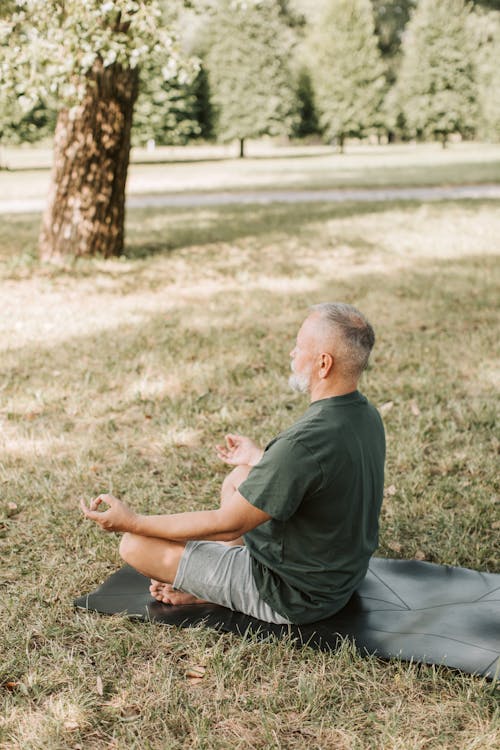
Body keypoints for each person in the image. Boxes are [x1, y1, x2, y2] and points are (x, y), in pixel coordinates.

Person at [80, 302, 385, 625]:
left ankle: (211, 591)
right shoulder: (364, 415)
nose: (292, 355)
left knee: (135, 546)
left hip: (292, 595)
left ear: (324, 364)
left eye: (299, 348)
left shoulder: (302, 444)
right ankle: (216, 578)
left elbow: (228, 523)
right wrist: (259, 459)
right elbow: (322, 476)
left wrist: (133, 521)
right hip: (341, 577)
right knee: (241, 475)